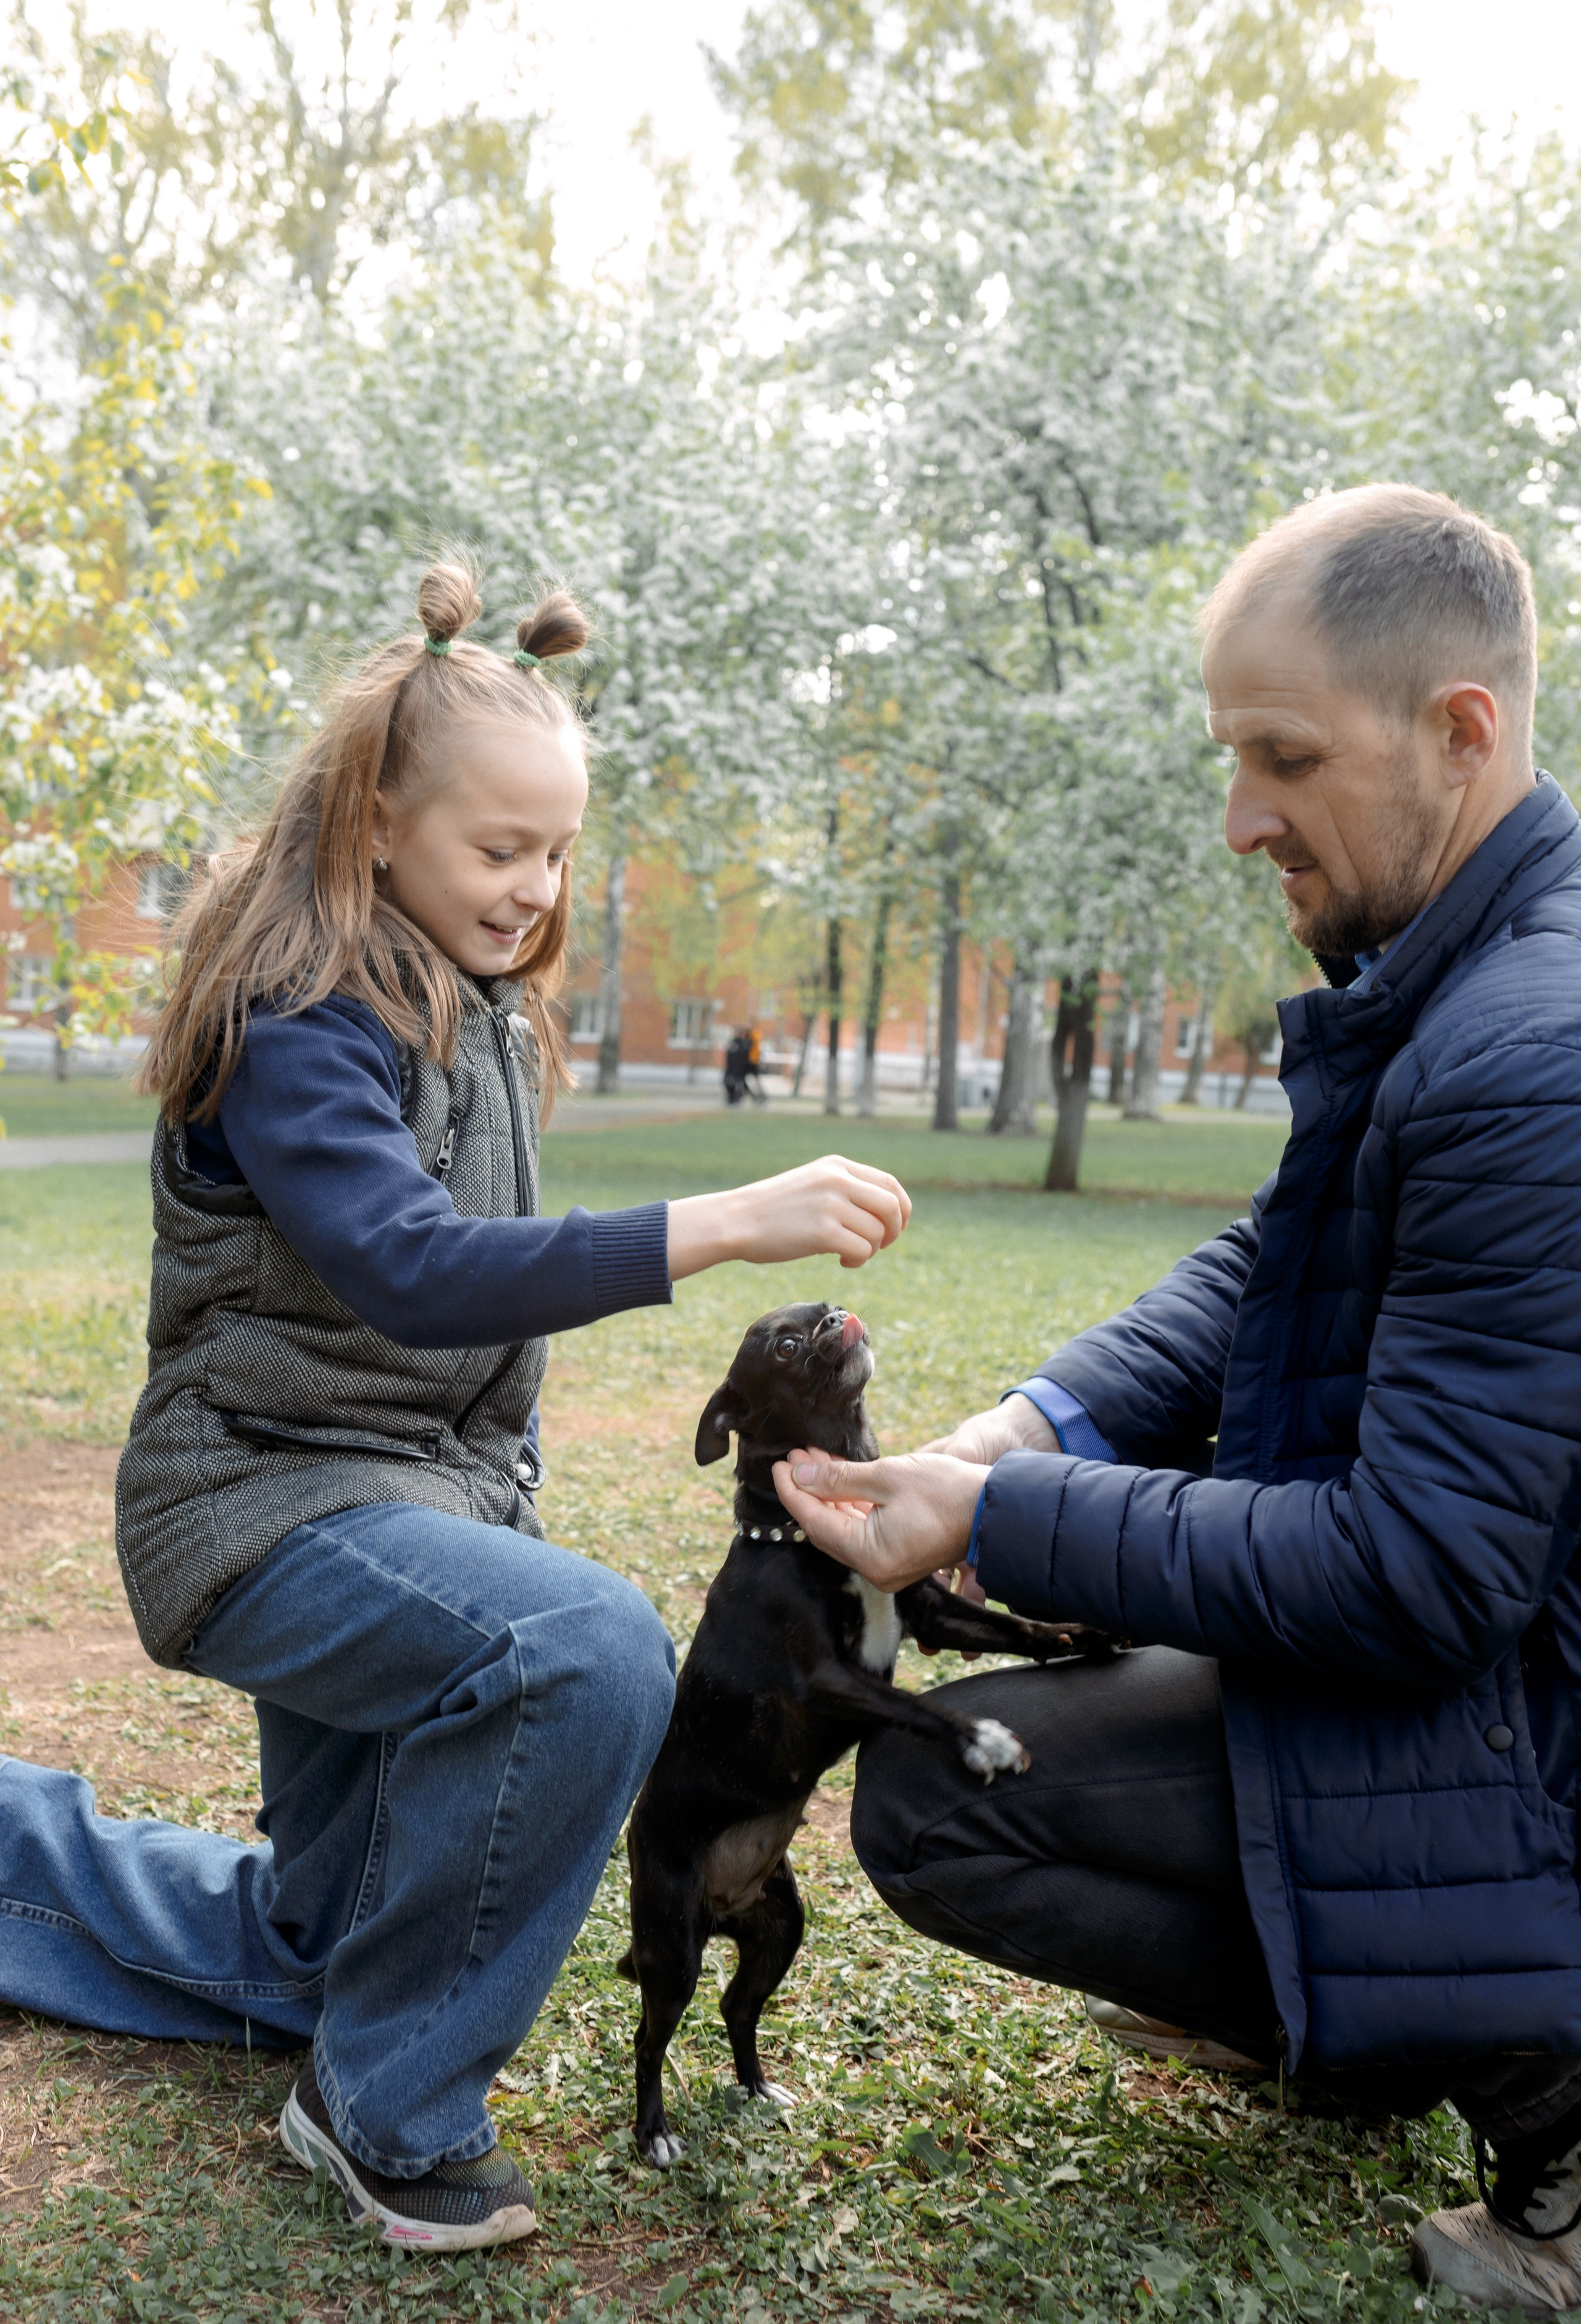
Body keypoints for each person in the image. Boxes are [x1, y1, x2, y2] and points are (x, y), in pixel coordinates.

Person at [0, 560, 910, 2252]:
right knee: (590, 1648)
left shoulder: (469, 1006)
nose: (535, 888)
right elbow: (410, 1270)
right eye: (500, 850)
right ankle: (387, 2104)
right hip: (259, 1511)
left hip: (414, 1510)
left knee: (313, 1950)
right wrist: (724, 1222)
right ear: (376, 825)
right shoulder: (296, 1020)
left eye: (557, 853)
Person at [775, 487, 1581, 2316]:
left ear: (1462, 731)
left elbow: (1421, 1575)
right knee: (981, 1755)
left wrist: (1001, 1521)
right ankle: (1367, 2003)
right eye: (1235, 758)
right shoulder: (1459, 979)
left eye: (1286, 759)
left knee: (943, 1806)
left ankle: (1546, 2089)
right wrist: (1024, 1432)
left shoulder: (1529, 1050)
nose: (1242, 819)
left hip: (1530, 1731)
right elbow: (1267, 1268)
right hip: (1493, 1679)